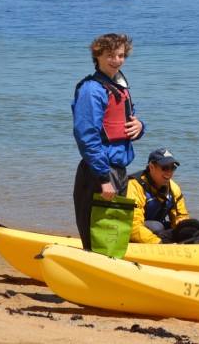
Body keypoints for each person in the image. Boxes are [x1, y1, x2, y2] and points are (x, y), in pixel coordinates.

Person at [71, 33, 144, 250]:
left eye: (121, 55)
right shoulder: (91, 89)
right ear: (98, 55)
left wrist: (140, 127)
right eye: (111, 55)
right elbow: (86, 136)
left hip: (118, 170)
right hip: (98, 172)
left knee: (112, 236)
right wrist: (103, 178)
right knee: (96, 236)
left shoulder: (119, 87)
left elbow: (128, 123)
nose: (117, 60)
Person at [127, 148, 192, 243]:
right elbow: (133, 225)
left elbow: (180, 217)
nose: (169, 172)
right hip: (131, 230)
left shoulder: (174, 188)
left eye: (172, 168)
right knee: (157, 227)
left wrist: (185, 233)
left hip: (151, 229)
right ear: (151, 167)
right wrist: (159, 243)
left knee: (189, 228)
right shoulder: (134, 186)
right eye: (165, 168)